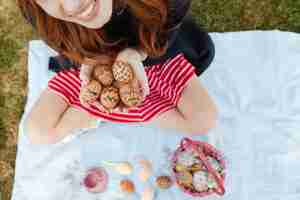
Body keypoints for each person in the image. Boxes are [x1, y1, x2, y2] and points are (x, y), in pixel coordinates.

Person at [18, 0, 217, 145]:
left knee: (204, 118)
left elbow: (166, 31)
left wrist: (136, 53)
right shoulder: (37, 11)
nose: (72, 6)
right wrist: (90, 58)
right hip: (90, 63)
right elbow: (61, 41)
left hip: (156, 56)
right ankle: (100, 113)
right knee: (36, 131)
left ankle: (124, 111)